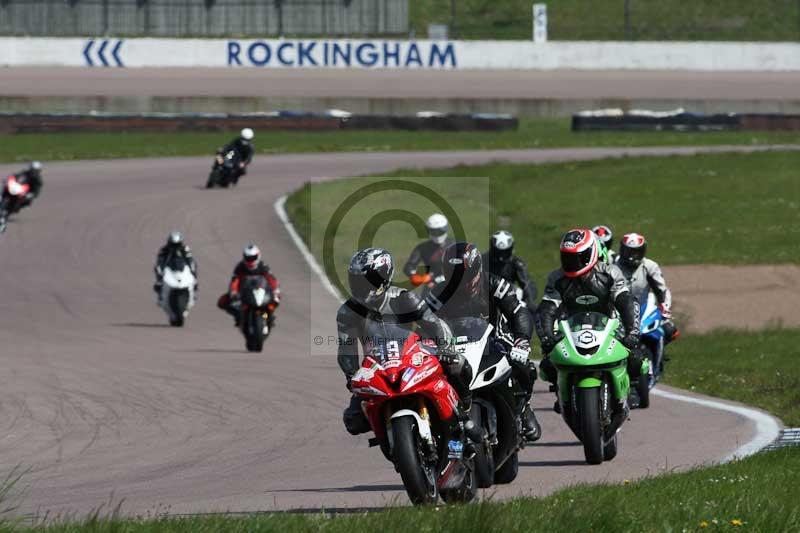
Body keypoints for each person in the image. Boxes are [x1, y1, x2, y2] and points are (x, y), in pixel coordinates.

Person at [336, 247, 482, 445]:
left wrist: (446, 348)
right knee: (353, 421)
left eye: (367, 281)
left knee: (457, 364)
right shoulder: (347, 312)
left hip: (414, 354)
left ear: (383, 277)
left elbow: (434, 324)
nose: (361, 287)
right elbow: (346, 347)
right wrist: (351, 375)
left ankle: (464, 414)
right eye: (357, 281)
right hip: (378, 366)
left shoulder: (403, 298)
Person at [426, 242, 541, 443]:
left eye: (466, 277)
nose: (461, 283)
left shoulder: (495, 284)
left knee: (523, 363)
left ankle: (524, 408)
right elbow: (421, 321)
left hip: (494, 339)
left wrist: (521, 339)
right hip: (453, 347)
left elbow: (518, 311)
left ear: (477, 269)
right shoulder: (437, 294)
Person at [537, 228, 642, 388]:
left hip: (610, 326)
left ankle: (627, 392)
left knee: (636, 362)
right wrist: (547, 337)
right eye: (567, 257)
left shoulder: (610, 273)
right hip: (571, 328)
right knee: (547, 367)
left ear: (591, 253)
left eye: (577, 257)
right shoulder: (556, 278)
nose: (572, 262)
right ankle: (561, 390)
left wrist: (632, 332)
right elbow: (547, 308)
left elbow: (625, 301)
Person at [615, 233, 678, 343]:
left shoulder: (650, 266)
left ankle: (659, 357)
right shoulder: (613, 267)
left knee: (669, 330)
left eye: (635, 253)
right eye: (628, 252)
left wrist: (665, 307)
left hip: (644, 308)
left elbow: (662, 289)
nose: (631, 257)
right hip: (618, 312)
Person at [217, 244, 280, 327]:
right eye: (248, 258)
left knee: (275, 300)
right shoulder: (240, 267)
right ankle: (238, 316)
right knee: (222, 302)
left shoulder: (263, 266)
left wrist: (275, 290)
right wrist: (233, 292)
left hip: (261, 292)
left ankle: (268, 316)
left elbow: (271, 279)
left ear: (258, 256)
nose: (250, 261)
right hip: (244, 293)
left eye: (253, 258)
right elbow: (235, 281)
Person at [482, 230, 538, 310]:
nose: (501, 257)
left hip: (509, 296)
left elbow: (527, 284)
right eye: (498, 252)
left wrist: (528, 302)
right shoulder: (482, 260)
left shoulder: (517, 264)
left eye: (504, 252)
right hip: (486, 296)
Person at [403, 213, 454, 290]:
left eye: (439, 231)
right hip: (431, 286)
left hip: (453, 284)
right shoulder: (422, 248)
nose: (437, 235)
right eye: (434, 232)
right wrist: (417, 276)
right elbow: (408, 267)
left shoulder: (455, 246)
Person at [153, 231, 197, 303]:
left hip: (181, 266)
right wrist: (160, 272)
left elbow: (190, 260)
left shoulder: (185, 248)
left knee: (193, 266)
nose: (175, 247)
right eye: (173, 245)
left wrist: (192, 272)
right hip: (168, 267)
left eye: (177, 245)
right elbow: (159, 262)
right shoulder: (164, 250)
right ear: (169, 242)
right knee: (158, 270)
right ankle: (160, 290)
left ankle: (193, 288)